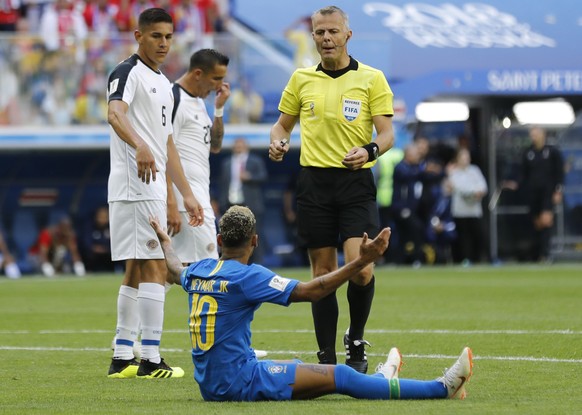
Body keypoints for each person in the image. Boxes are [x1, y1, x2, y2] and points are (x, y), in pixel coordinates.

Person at [150, 205, 473, 402]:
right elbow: (313, 290)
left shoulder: (201, 270)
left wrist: (166, 242)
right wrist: (361, 261)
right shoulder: (248, 277)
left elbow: (175, 269)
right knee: (342, 377)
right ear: (255, 241)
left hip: (214, 383)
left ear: (219, 241)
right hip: (238, 383)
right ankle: (441, 388)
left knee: (300, 367)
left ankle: (380, 380)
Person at [269, 5, 395, 372]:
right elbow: (281, 126)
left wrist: (369, 150)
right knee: (322, 273)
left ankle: (356, 338)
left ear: (347, 35)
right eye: (320, 33)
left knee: (362, 267)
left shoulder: (372, 78)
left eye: (332, 32)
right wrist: (277, 142)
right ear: (313, 36)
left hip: (355, 182)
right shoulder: (301, 79)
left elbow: (387, 134)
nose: (326, 38)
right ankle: (326, 355)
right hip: (314, 184)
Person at [106, 7, 204, 380]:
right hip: (135, 183)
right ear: (139, 36)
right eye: (156, 36)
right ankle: (150, 358)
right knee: (157, 266)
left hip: (150, 184)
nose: (163, 43)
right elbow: (115, 114)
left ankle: (122, 355)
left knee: (136, 267)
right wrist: (139, 146)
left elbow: (167, 145)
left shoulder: (163, 82)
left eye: (168, 37)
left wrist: (186, 194)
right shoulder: (126, 71)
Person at [167, 48, 230, 265]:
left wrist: (219, 110)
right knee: (207, 265)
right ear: (197, 74)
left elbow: (216, 146)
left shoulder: (200, 102)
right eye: (216, 78)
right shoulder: (173, 99)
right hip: (186, 200)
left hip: (195, 195)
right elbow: (164, 150)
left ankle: (140, 300)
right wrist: (171, 203)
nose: (219, 86)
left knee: (170, 270)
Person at [504, 126, 564, 262]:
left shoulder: (552, 152)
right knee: (537, 223)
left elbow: (559, 173)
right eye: (532, 134)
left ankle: (546, 254)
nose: (533, 136)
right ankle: (537, 253)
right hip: (532, 193)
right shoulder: (528, 153)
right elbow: (523, 174)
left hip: (547, 192)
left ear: (543, 134)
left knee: (546, 220)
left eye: (536, 133)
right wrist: (515, 184)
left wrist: (558, 190)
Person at [219, 136, 268, 263]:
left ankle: (257, 265)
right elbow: (223, 184)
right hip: (231, 203)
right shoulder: (227, 162)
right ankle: (233, 264)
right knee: (232, 235)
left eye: (241, 145)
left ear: (246, 147)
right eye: (236, 145)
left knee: (255, 235)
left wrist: (249, 177)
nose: (238, 147)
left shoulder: (255, 160)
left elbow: (263, 176)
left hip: (251, 204)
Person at [447, 148, 488, 265]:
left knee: (480, 235)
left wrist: (477, 191)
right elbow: (458, 188)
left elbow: (483, 186)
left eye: (467, 157)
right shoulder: (454, 172)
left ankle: (486, 258)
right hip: (460, 210)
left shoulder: (475, 170)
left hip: (474, 210)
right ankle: (466, 259)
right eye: (463, 157)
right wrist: (473, 192)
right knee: (464, 237)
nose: (465, 159)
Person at [81, 206, 116, 272]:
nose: (102, 220)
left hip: (108, 257)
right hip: (93, 257)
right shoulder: (90, 226)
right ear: (96, 217)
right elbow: (86, 242)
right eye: (100, 217)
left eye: (105, 217)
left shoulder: (112, 227)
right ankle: (88, 271)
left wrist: (107, 249)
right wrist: (94, 248)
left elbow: (116, 243)